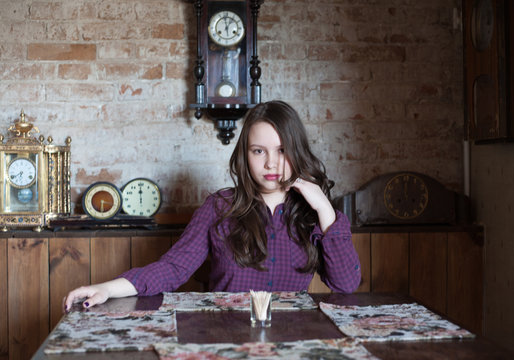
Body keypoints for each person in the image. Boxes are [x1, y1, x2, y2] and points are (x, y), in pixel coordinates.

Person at [64, 100, 361, 311]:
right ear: (245, 154)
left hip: (290, 340)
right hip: (224, 336)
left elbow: (346, 284)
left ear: (296, 152)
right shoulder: (220, 207)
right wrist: (106, 289)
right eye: (259, 151)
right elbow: (173, 268)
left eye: (282, 151)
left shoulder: (314, 215)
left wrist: (325, 210)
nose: (271, 163)